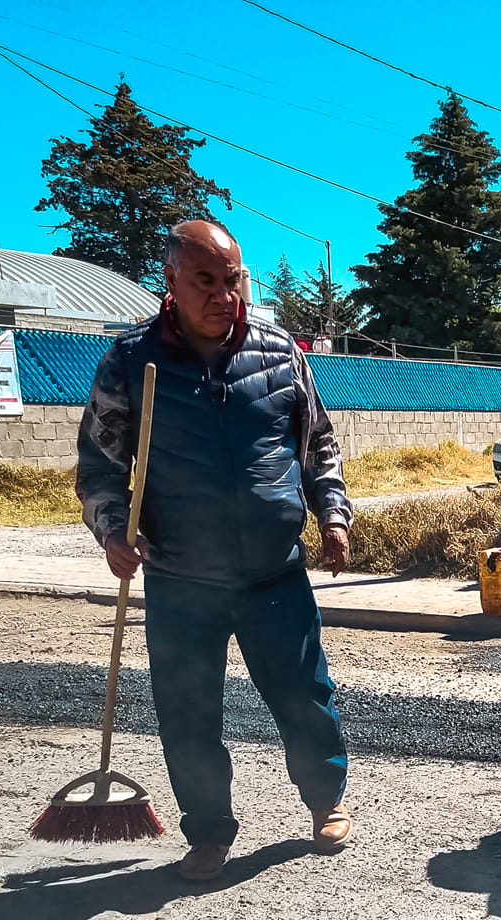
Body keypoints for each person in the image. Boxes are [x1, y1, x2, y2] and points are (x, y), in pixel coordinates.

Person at [77, 218, 355, 882]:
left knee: (304, 698)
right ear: (169, 281)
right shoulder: (131, 362)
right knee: (189, 712)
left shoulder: (280, 350)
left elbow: (316, 444)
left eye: (231, 280)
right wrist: (113, 529)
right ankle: (207, 834)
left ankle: (326, 802)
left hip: (274, 573)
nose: (222, 295)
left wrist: (333, 516)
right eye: (205, 281)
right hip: (181, 577)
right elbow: (99, 465)